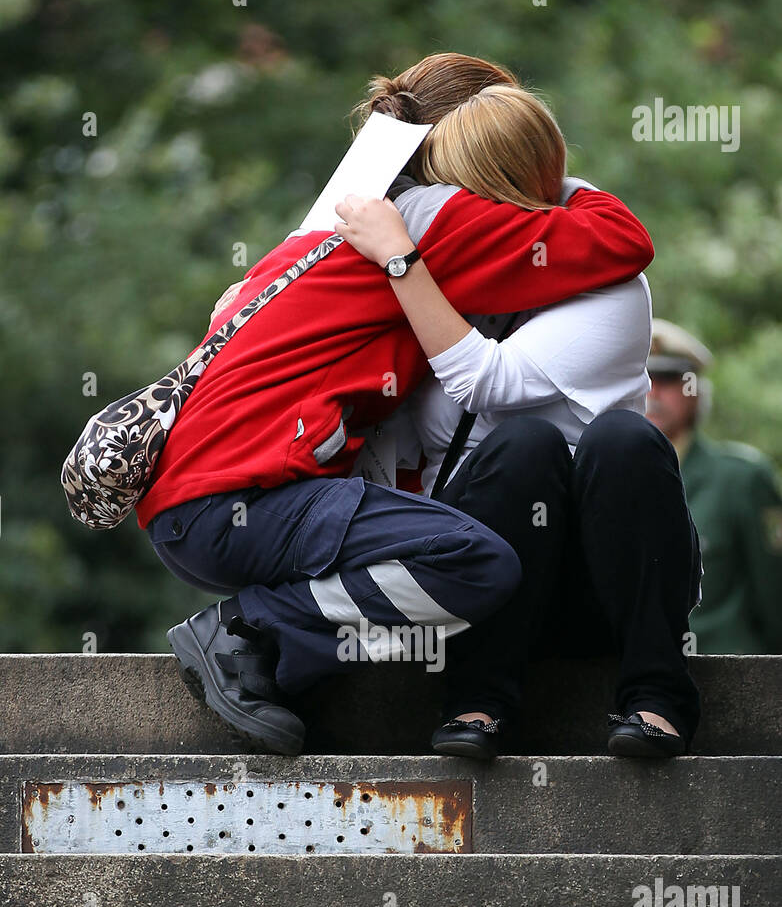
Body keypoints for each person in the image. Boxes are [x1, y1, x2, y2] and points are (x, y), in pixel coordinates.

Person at [143, 55, 654, 753]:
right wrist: (546, 171)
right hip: (245, 500)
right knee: (477, 563)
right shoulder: (442, 220)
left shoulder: (333, 222)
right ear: (480, 141)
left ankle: (273, 660)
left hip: (198, 501)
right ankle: (246, 632)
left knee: (433, 553)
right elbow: (623, 239)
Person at [336, 87, 701, 760]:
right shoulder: (446, 276)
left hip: (598, 587)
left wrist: (402, 263)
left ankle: (658, 695)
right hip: (480, 587)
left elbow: (486, 380)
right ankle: (479, 704)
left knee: (620, 437)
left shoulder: (610, 283)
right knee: (523, 446)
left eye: (459, 189)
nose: (446, 209)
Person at [647, 319, 782, 653]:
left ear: (695, 393)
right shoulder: (599, 482)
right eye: (642, 379)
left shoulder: (742, 479)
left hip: (730, 675)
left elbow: (773, 600)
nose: (653, 393)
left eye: (668, 380)